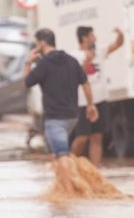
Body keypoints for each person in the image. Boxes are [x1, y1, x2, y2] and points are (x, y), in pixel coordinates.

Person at [24, 28, 97, 159]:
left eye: (36, 44)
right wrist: (90, 105)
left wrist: (29, 61)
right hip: (72, 117)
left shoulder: (43, 64)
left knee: (62, 156)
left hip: (55, 118)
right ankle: (68, 176)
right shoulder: (71, 60)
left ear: (42, 43)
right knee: (58, 156)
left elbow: (27, 82)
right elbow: (85, 82)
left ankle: (72, 178)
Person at [70, 26, 124, 167]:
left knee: (97, 137)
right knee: (82, 137)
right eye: (92, 35)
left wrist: (120, 35)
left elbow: (117, 44)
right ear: (84, 38)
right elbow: (77, 76)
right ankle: (70, 165)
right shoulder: (74, 56)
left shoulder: (99, 51)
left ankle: (96, 170)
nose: (95, 38)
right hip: (83, 103)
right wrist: (87, 61)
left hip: (100, 100)